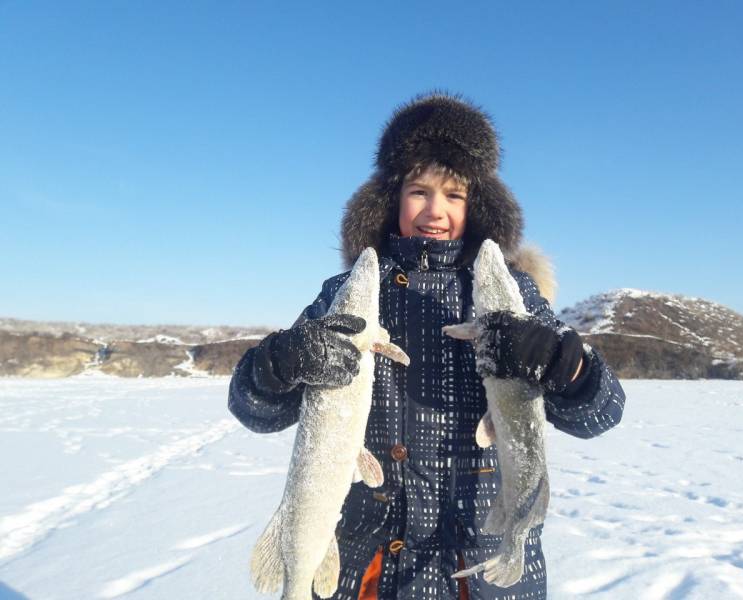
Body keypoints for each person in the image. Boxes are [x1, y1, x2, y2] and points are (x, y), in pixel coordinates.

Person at [228, 93, 626, 599]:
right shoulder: (347, 292)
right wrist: (279, 363)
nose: (434, 211)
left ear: (476, 205)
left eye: (454, 195)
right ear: (394, 199)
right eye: (419, 191)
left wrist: (562, 362)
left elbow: (601, 413)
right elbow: (252, 408)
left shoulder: (514, 293)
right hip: (366, 567)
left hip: (478, 566)